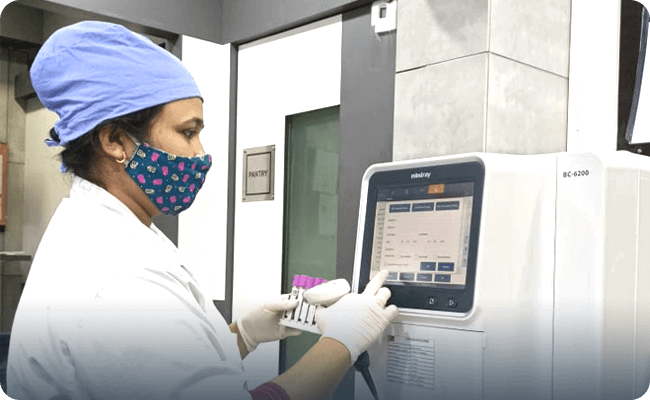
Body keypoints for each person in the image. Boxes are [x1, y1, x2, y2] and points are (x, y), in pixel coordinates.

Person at [6, 21, 398, 400]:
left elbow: (166, 371)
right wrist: (342, 342)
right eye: (187, 132)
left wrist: (244, 333)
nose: (200, 154)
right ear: (115, 140)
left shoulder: (110, 231)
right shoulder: (117, 281)